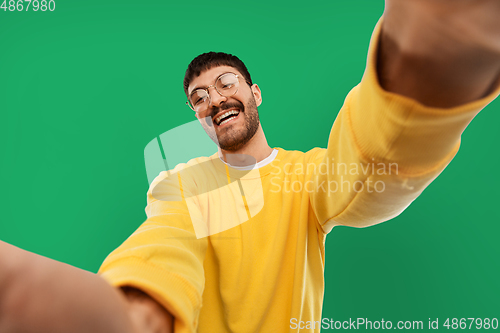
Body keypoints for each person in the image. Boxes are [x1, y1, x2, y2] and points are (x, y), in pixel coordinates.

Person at [1, 1, 499, 332]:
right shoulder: (182, 182)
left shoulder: (304, 176)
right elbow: (167, 243)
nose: (214, 100)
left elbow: (367, 173)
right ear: (198, 119)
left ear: (254, 93)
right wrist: (139, 309)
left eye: (225, 84)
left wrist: (422, 72)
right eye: (200, 98)